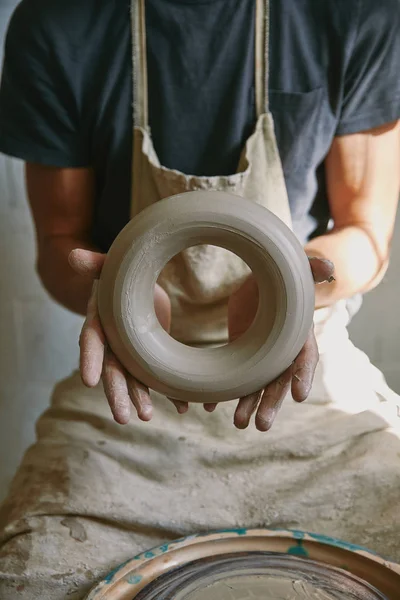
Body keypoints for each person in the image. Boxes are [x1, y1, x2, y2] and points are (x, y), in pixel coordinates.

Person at [0, 0, 399, 597]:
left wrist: (283, 294)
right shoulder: (59, 21)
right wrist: (120, 299)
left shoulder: (353, 13)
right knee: (35, 573)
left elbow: (368, 234)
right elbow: (61, 243)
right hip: (131, 373)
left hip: (298, 356)